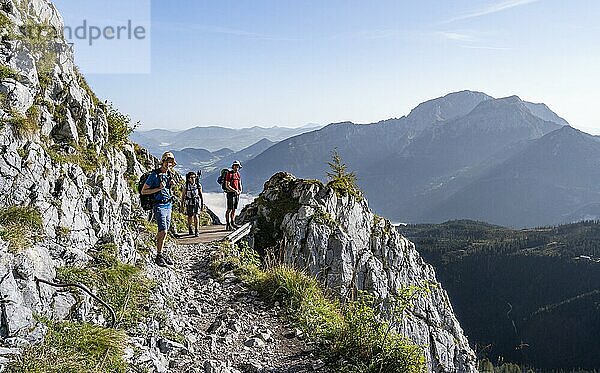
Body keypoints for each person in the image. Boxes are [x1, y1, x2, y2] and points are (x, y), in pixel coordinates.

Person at [141, 151, 176, 267]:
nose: (169, 164)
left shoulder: (169, 174)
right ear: (163, 161)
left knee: (165, 231)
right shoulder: (154, 175)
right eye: (167, 161)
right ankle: (159, 255)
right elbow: (144, 191)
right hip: (159, 205)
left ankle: (161, 252)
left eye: (171, 162)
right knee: (163, 230)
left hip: (168, 205)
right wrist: (158, 188)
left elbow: (167, 188)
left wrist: (171, 184)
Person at [181, 171, 204, 237]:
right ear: (188, 178)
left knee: (196, 215)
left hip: (196, 201)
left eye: (194, 177)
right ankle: (190, 228)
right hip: (189, 202)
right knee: (190, 216)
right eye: (191, 177)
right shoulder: (186, 186)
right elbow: (183, 196)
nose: (193, 179)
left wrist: (202, 204)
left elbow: (201, 195)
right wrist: (182, 206)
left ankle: (197, 230)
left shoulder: (198, 185)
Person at [224, 160, 242, 231]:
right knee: (229, 209)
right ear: (233, 166)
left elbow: (239, 183)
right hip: (230, 194)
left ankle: (233, 223)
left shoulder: (238, 174)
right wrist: (235, 190)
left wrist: (240, 190)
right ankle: (228, 224)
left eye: (238, 166)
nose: (237, 167)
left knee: (234, 209)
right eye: (236, 166)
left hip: (236, 194)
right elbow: (227, 185)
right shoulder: (229, 174)